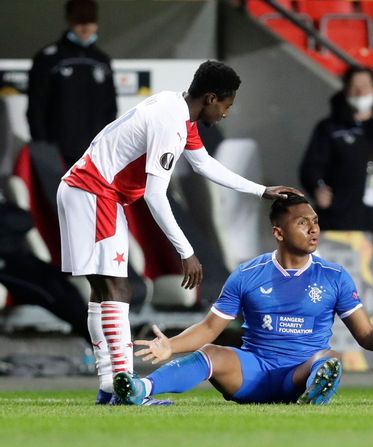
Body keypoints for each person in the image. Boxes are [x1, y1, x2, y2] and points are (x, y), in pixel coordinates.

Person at [56, 60, 301, 405]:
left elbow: (204, 165)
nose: (226, 114)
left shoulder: (175, 107)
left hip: (85, 190)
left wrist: (260, 190)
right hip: (96, 193)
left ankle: (111, 385)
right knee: (117, 288)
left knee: (103, 291)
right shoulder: (171, 122)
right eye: (227, 106)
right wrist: (185, 251)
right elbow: (156, 195)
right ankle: (126, 389)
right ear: (212, 98)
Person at [112, 195, 373, 405]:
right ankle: (141, 388)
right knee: (211, 353)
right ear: (279, 233)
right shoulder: (248, 274)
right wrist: (171, 346)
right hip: (252, 374)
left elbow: (367, 336)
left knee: (327, 358)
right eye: (302, 223)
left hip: (300, 375)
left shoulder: (333, 276)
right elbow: (211, 327)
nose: (313, 229)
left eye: (315, 222)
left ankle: (315, 394)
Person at [299, 66, 373, 267]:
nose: (361, 92)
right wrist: (317, 188)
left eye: (365, 86)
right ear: (345, 90)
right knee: (336, 280)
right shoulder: (329, 128)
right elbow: (310, 168)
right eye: (355, 87)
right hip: (338, 220)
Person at [27, 0, 117, 168]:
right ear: (70, 21)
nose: (85, 29)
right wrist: (43, 147)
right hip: (56, 152)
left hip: (95, 153)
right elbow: (36, 107)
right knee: (56, 194)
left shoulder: (102, 61)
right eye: (80, 22)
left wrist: (108, 142)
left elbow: (110, 108)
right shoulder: (47, 59)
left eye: (90, 22)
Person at [0, 189, 89, 343]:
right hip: (5, 267)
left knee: (66, 286)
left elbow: (25, 221)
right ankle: (95, 339)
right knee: (49, 293)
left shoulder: (7, 201)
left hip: (28, 260)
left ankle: (98, 338)